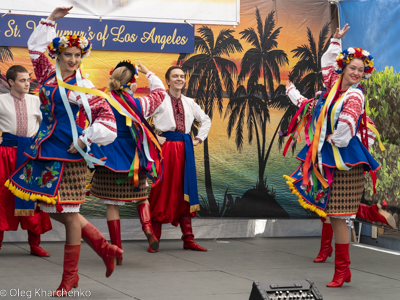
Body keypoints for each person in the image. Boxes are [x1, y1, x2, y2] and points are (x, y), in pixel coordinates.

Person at [5, 7, 122, 296]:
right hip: (44, 149)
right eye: (67, 54)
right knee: (46, 206)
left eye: (77, 55)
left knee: (69, 214)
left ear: (82, 58)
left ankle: (70, 277)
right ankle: (103, 245)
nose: (72, 59)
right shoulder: (46, 73)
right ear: (58, 54)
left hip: (68, 156)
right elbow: (34, 47)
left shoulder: (82, 86)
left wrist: (85, 139)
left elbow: (107, 119)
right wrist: (52, 20)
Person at [283, 24, 382, 287]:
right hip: (328, 156)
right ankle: (342, 269)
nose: (357, 73)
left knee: (338, 216)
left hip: (346, 159)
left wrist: (333, 138)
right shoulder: (333, 86)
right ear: (344, 69)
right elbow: (328, 64)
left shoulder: (354, 96)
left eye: (361, 70)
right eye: (353, 68)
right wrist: (335, 42)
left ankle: (341, 270)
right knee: (332, 213)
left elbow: (347, 126)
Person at [89, 60, 163, 258]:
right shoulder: (139, 104)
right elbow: (160, 94)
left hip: (109, 158)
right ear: (132, 84)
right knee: (142, 197)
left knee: (112, 205)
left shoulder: (101, 101)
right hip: (133, 159)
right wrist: (150, 74)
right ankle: (147, 228)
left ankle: (118, 250)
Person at [136, 65, 211, 251]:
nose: (180, 79)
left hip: (186, 149)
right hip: (166, 149)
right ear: (167, 81)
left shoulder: (189, 102)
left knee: (186, 190)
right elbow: (139, 118)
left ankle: (188, 239)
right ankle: (155, 239)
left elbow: (206, 119)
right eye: (175, 76)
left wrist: (199, 138)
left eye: (182, 76)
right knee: (162, 190)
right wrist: (154, 137)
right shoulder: (159, 100)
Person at [0, 65, 52, 257]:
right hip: (6, 155)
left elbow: (46, 126)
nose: (27, 83)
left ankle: (35, 244)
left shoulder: (36, 101)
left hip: (30, 155)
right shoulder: (1, 101)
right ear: (11, 82)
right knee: (3, 196)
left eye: (28, 80)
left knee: (33, 196)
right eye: (22, 80)